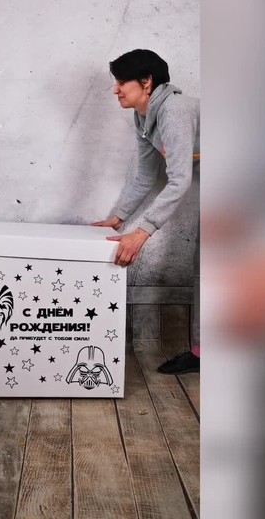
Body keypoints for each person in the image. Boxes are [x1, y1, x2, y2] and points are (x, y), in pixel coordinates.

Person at [92, 49, 200, 374]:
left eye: (122, 82)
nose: (115, 90)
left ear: (146, 82)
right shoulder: (144, 116)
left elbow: (179, 180)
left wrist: (141, 233)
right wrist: (118, 217)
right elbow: (145, 175)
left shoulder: (174, 110)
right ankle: (202, 354)